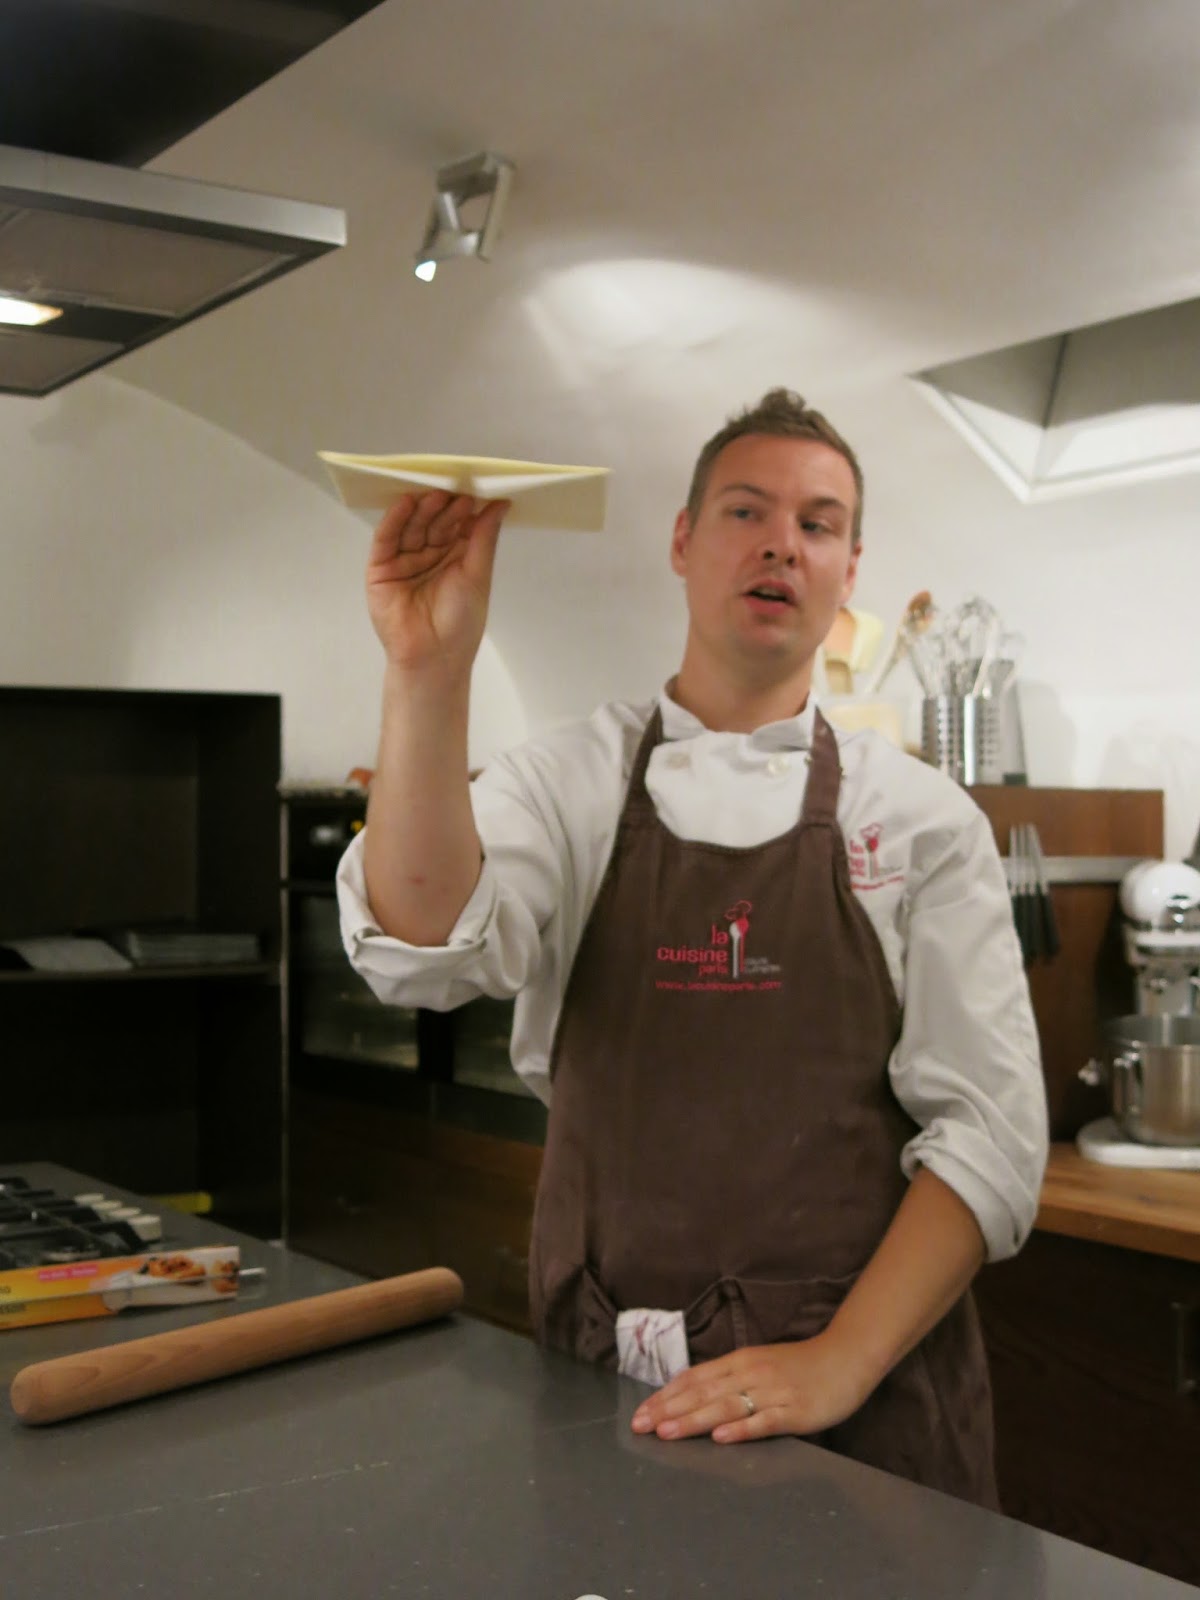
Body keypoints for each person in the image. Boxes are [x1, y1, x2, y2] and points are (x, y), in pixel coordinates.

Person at [336, 388, 1048, 1508]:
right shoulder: (567, 779)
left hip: (865, 1425)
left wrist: (836, 1363)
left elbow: (994, 1140)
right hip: (606, 1392)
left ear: (849, 569)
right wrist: (428, 669)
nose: (781, 543)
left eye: (818, 524)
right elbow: (423, 947)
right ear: (680, 540)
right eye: (745, 511)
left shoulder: (918, 821)